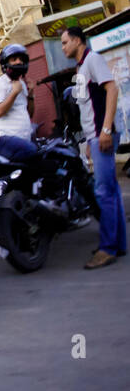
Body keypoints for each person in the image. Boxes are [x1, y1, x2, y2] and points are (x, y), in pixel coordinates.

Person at [61, 26, 125, 268]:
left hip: (103, 135)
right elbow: (86, 109)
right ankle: (118, 245)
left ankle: (108, 249)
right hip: (95, 138)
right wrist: (89, 140)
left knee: (103, 193)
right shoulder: (80, 68)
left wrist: (105, 130)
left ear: (78, 41)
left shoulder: (93, 59)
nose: (64, 47)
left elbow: (112, 88)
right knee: (111, 192)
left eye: (66, 42)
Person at [0, 43, 33, 143]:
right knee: (34, 154)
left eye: (21, 59)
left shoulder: (21, 84)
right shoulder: (0, 84)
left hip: (24, 140)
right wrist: (14, 92)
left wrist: (31, 95)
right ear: (5, 63)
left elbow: (29, 114)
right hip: (5, 139)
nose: (19, 62)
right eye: (14, 59)